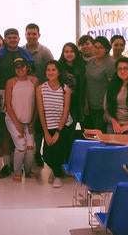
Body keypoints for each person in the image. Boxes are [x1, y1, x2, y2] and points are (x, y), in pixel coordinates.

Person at [0, 28, 33, 179]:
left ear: (19, 39)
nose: (13, 40)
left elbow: (31, 73)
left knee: (21, 131)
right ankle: (7, 165)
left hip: (21, 95)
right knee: (4, 131)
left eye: (15, 37)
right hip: (2, 94)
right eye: (9, 37)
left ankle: (19, 164)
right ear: (5, 39)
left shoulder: (24, 54)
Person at [36, 60, 73, 188]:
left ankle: (57, 175)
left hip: (63, 125)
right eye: (48, 70)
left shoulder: (65, 89)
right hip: (48, 124)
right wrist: (46, 132)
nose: (50, 72)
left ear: (58, 72)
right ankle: (56, 170)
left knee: (58, 150)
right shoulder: (40, 88)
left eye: (53, 70)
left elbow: (66, 110)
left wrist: (58, 132)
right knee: (47, 155)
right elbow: (41, 111)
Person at [22, 23, 53, 168]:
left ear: (39, 35)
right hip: (23, 94)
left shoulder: (45, 52)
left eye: (34, 34)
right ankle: (24, 152)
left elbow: (53, 71)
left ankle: (36, 153)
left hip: (41, 94)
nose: (31, 36)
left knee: (39, 124)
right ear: (25, 35)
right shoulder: (20, 51)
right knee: (25, 122)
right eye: (29, 33)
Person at [4, 57, 38, 182]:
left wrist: (32, 122)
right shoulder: (11, 82)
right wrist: (17, 123)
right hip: (13, 120)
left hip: (28, 121)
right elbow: (8, 104)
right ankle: (17, 171)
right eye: (17, 67)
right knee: (21, 146)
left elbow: (36, 105)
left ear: (27, 67)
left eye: (22, 66)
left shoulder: (34, 81)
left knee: (30, 148)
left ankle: (28, 171)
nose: (20, 69)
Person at [83, 36, 115, 132]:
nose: (97, 50)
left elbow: (112, 89)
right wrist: (86, 103)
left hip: (103, 107)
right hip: (91, 104)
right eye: (95, 47)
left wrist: (107, 110)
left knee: (100, 135)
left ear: (106, 49)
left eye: (100, 47)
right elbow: (87, 83)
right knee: (91, 134)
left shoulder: (110, 64)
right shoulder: (90, 62)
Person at [58, 42, 85, 142]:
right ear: (63, 53)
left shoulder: (82, 66)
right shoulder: (58, 67)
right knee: (62, 131)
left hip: (76, 104)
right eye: (66, 51)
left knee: (72, 132)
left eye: (72, 51)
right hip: (61, 103)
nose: (69, 54)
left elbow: (84, 87)